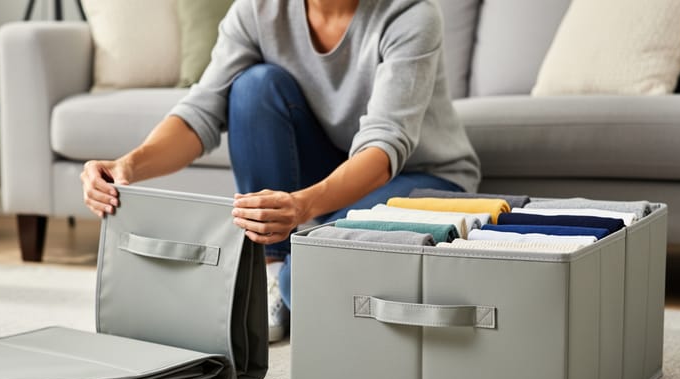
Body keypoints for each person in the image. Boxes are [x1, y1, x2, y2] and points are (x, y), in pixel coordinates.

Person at [80, 0, 480, 342]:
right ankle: (272, 267)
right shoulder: (259, 8)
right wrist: (126, 165)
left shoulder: (410, 14)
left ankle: (293, 267)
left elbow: (384, 145)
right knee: (253, 86)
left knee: (302, 281)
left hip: (416, 178)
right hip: (328, 175)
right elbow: (201, 110)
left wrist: (303, 206)